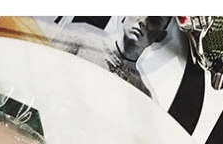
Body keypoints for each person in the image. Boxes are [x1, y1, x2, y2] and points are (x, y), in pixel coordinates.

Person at [39, 17, 173, 98]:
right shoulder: (78, 39)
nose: (142, 21)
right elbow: (40, 81)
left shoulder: (141, 94)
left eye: (154, 20)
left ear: (160, 36)